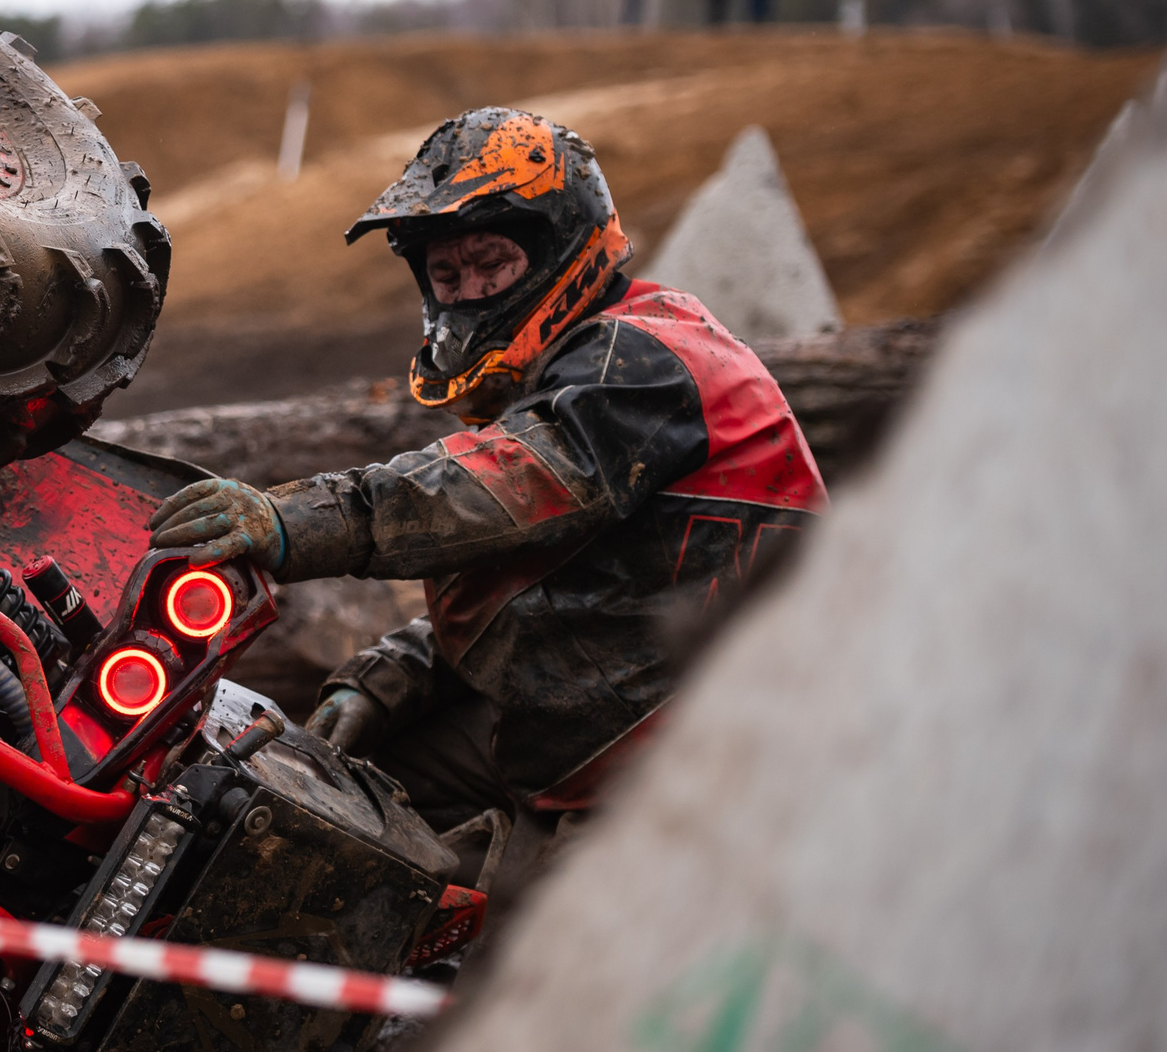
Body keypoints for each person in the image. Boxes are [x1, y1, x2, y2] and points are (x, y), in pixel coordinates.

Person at [145, 108, 825, 839]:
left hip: (718, 757)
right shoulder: (574, 371)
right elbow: (539, 582)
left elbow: (488, 492)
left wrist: (296, 520)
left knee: (481, 916)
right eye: (446, 272)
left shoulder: (642, 359)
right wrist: (387, 680)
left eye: (492, 263)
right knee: (332, 784)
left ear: (562, 245)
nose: (468, 291)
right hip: (602, 728)